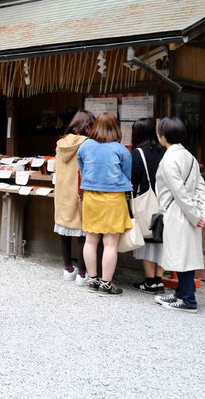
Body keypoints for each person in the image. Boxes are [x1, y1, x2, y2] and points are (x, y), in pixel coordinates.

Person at [154, 117, 205, 313]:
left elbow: (179, 193)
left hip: (179, 212)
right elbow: (201, 187)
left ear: (163, 136)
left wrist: (195, 216)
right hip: (190, 211)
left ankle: (188, 300)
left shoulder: (169, 158)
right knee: (186, 255)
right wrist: (202, 213)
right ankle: (181, 294)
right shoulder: (189, 156)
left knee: (181, 255)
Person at [78, 112, 132, 296]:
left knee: (90, 239)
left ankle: (92, 280)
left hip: (91, 197)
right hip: (113, 199)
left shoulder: (85, 147)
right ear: (116, 128)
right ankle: (106, 284)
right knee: (110, 243)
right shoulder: (121, 149)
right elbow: (127, 174)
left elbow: (83, 170)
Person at [53, 110, 95, 286]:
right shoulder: (88, 144)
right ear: (87, 126)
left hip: (62, 192)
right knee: (82, 232)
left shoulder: (61, 143)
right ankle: (82, 273)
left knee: (63, 229)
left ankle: (68, 268)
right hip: (79, 192)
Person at [130, 117, 167, 293]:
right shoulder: (166, 151)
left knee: (148, 239)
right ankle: (159, 279)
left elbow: (133, 179)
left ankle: (150, 281)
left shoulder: (138, 153)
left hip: (147, 201)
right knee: (162, 240)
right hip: (166, 202)